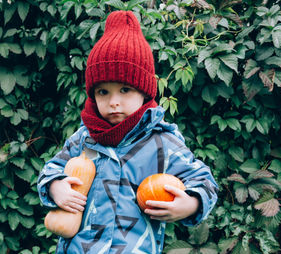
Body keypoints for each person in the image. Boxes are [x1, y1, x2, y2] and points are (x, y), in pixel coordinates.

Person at [37, 10, 218, 253]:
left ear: (144, 91)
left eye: (124, 90)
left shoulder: (162, 142)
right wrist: (55, 187)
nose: (113, 101)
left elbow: (204, 180)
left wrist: (191, 204)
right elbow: (51, 170)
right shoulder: (84, 138)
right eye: (103, 92)